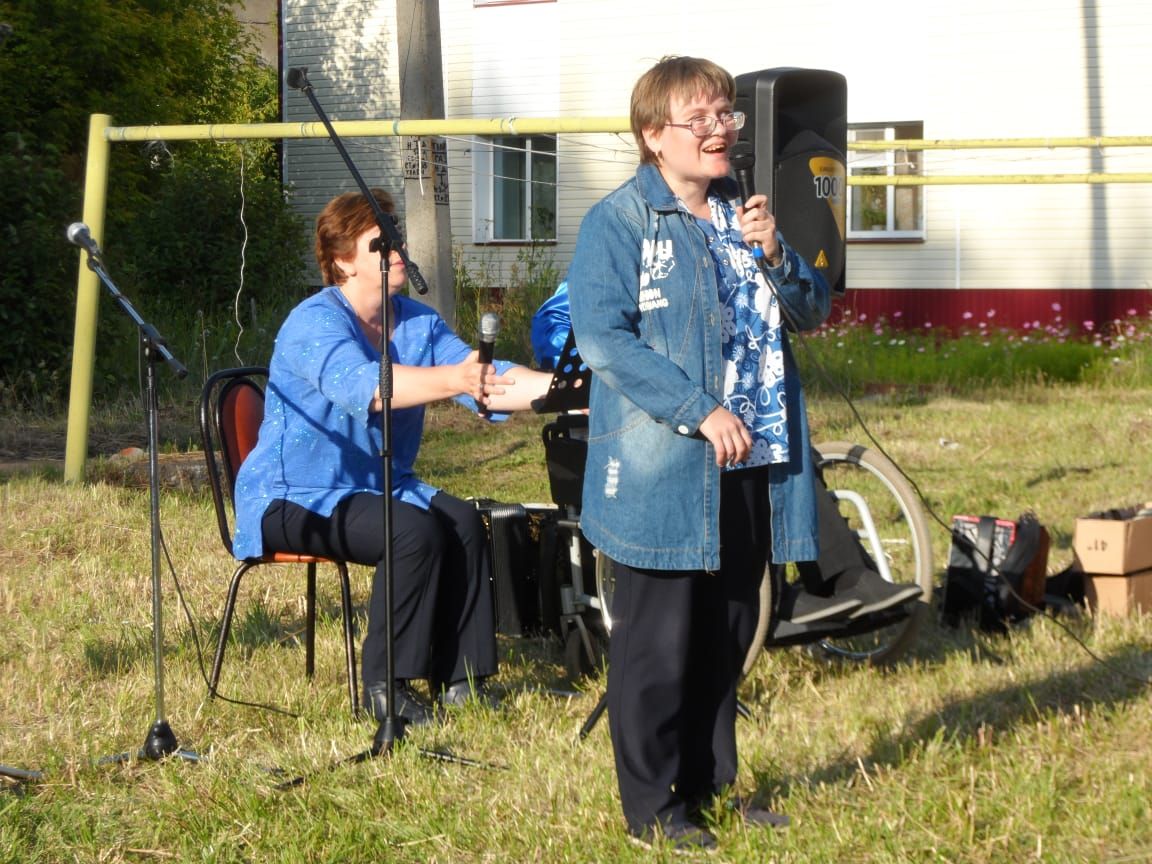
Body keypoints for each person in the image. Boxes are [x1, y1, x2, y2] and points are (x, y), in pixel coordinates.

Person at [566, 55, 832, 852]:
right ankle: (651, 809)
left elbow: (809, 313)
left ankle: (709, 789)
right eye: (702, 119)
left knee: (727, 629)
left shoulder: (741, 214)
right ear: (654, 137)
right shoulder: (618, 223)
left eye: (727, 116)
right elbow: (602, 339)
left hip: (752, 458)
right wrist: (698, 409)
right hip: (666, 466)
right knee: (659, 643)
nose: (721, 131)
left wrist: (778, 256)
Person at [231, 188, 553, 729]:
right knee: (411, 533)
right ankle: (388, 687)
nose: (397, 251)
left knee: (464, 523)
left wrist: (565, 390)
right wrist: (457, 379)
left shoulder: (416, 323)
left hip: (377, 486)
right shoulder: (313, 322)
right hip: (294, 495)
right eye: (381, 244)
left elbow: (486, 379)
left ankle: (462, 681)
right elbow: (366, 386)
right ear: (342, 262)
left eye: (397, 239)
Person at [531, 285, 921, 625]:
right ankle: (785, 594)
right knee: (740, 459)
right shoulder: (620, 247)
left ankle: (844, 575)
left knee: (788, 452)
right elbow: (571, 332)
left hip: (716, 397)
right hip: (649, 420)